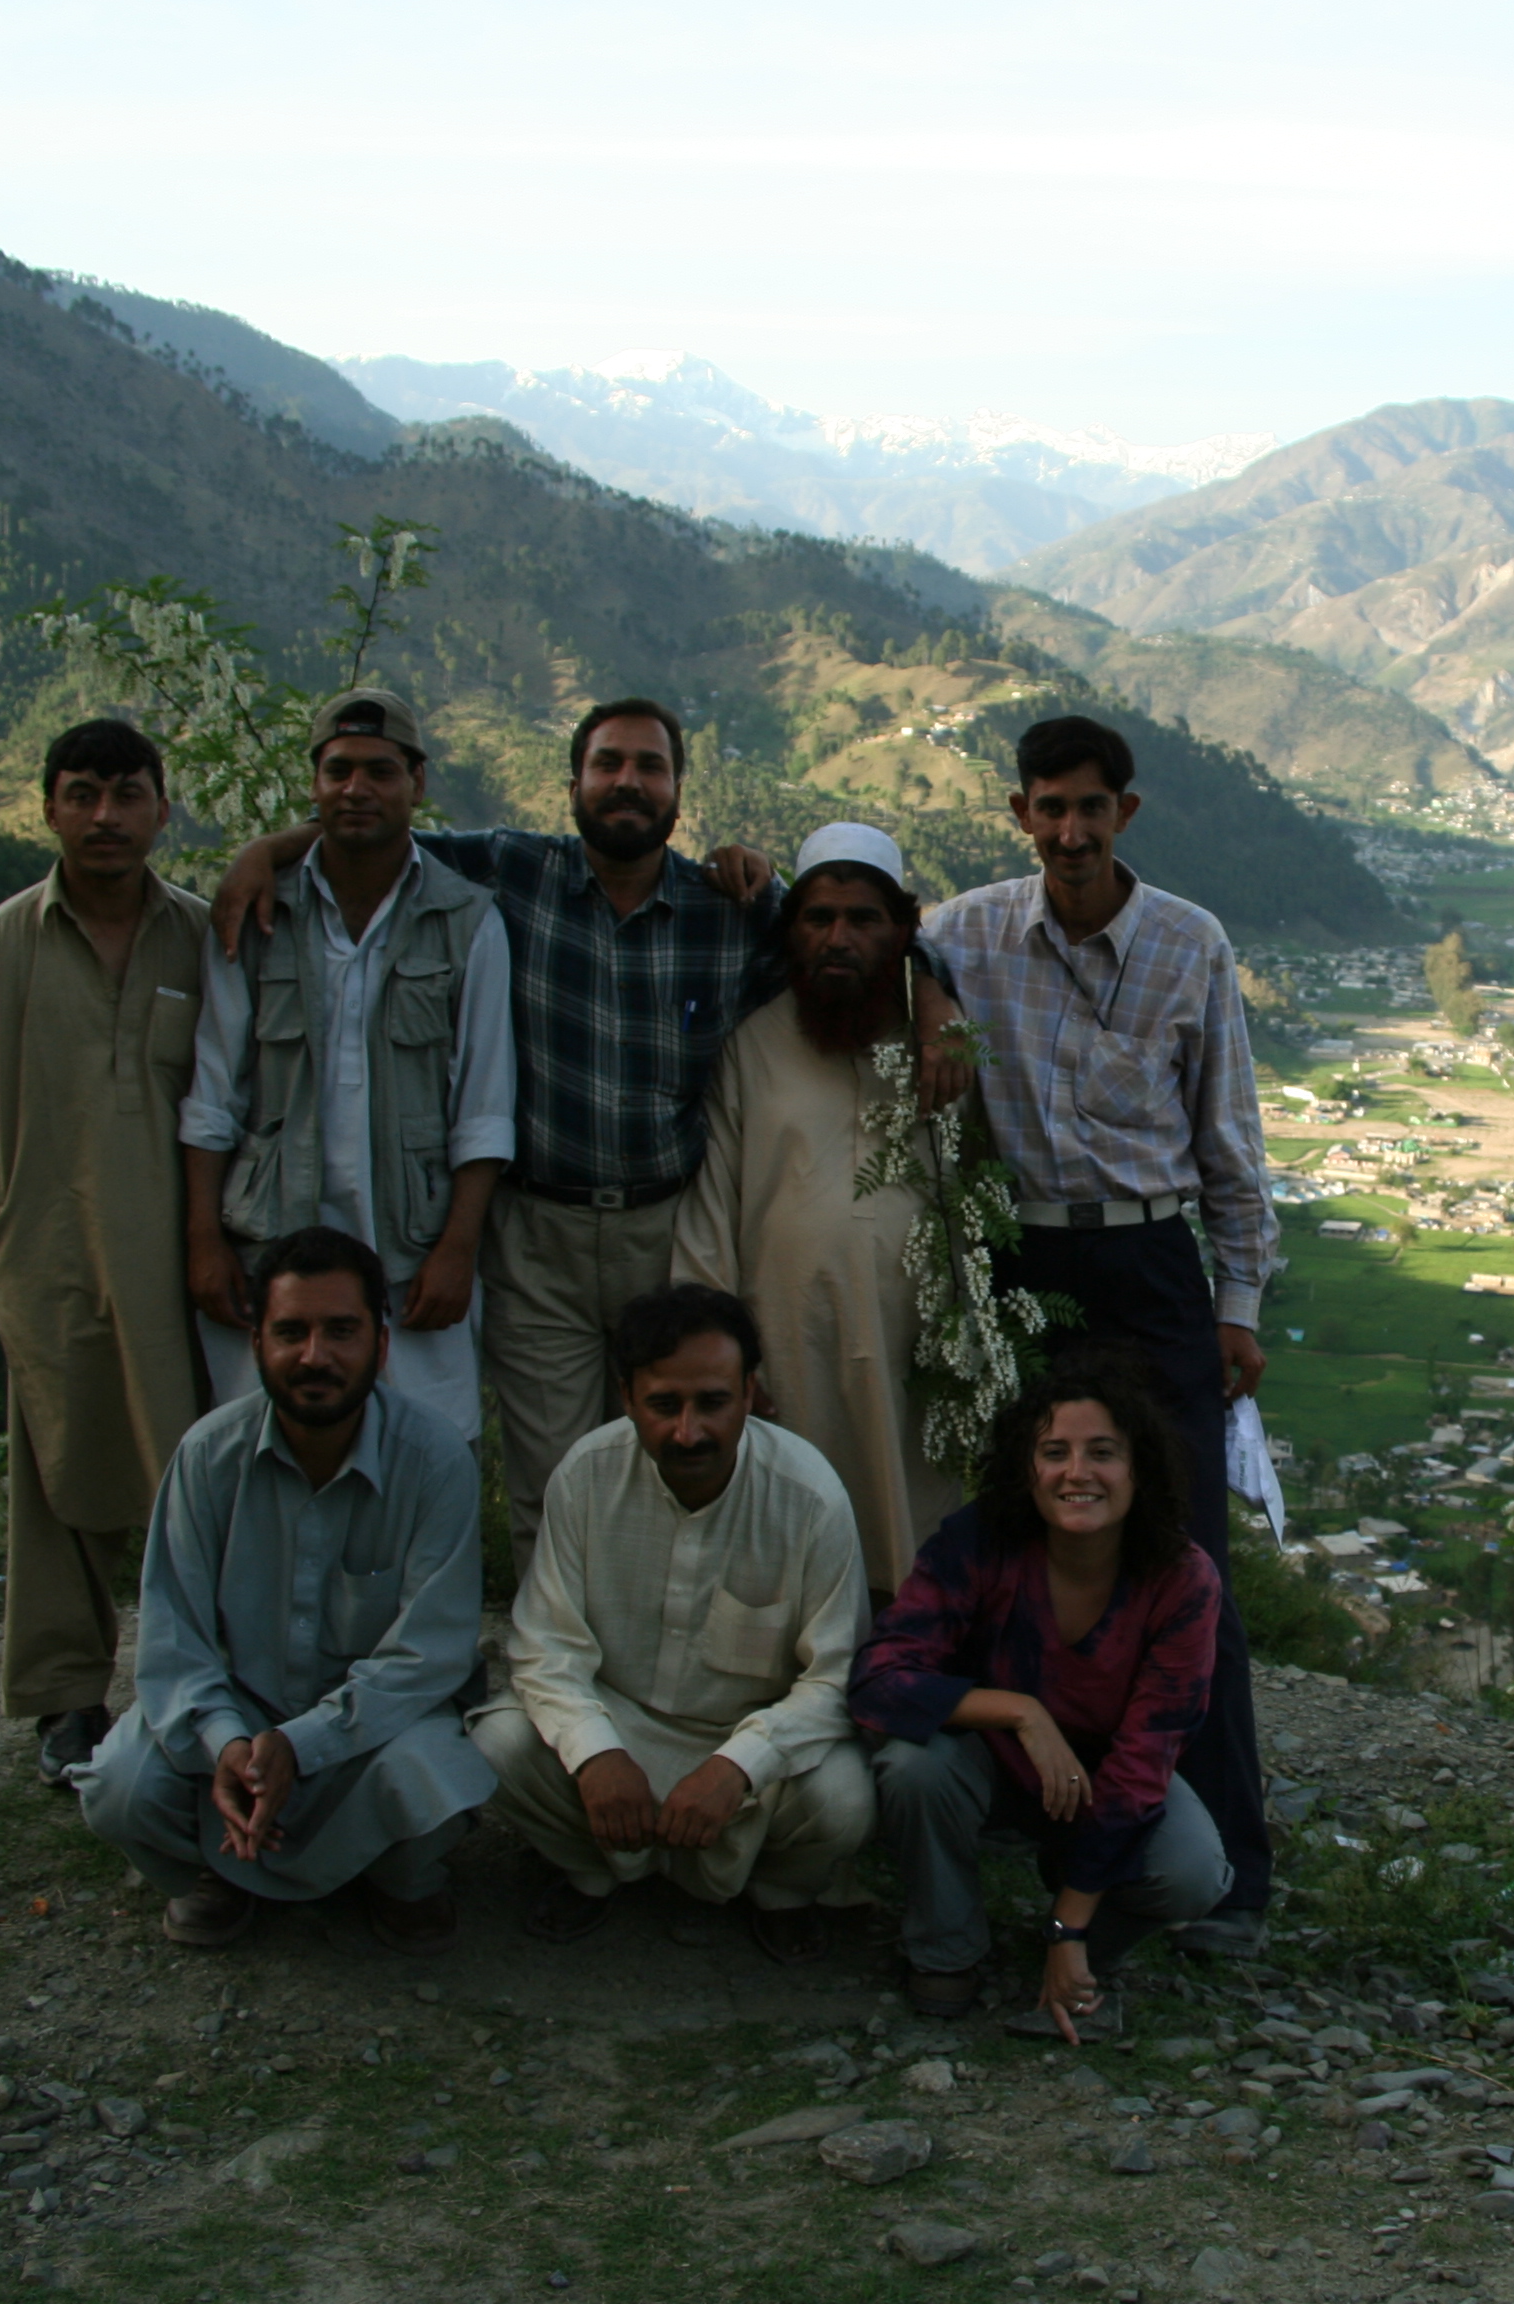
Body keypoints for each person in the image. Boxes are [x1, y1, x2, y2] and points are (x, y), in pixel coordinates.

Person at [214, 701, 960, 1559]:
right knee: (554, 1483)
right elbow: (378, 835)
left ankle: (664, 1634)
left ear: (678, 790)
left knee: (670, 1467)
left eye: (650, 766)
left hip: (662, 1231)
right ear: (572, 784)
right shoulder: (512, 871)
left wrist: (932, 990)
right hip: (539, 1238)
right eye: (609, 764)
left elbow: (857, 922)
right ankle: (553, 1639)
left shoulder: (730, 906)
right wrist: (267, 851)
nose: (627, 783)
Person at [919, 713, 1278, 1956]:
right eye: (1048, 807)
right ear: (1019, 814)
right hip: (1019, 1263)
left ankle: (1230, 1871)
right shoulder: (963, 933)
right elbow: (859, 940)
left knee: (1186, 1563)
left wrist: (1238, 1304)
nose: (1069, 831)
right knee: (1018, 1543)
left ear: (1126, 812)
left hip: (1148, 1266)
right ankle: (1030, 1822)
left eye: (1090, 807)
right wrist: (925, 999)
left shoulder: (1190, 943)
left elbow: (1230, 1136)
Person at [76, 1227, 497, 1954]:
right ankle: (219, 1871)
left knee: (436, 1776)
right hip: (237, 1727)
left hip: (369, 1736)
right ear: (256, 1345)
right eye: (291, 1332)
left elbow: (428, 1658)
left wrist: (301, 1745)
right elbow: (175, 1642)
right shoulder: (207, 1457)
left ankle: (398, 1877)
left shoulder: (434, 1461)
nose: (315, 1356)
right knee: (121, 1786)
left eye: (341, 1331)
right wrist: (230, 1744)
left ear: (381, 1345)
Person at [0, 718, 210, 1785]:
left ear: (161, 810)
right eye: (83, 793)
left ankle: (194, 1686)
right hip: (50, 1247)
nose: (105, 816)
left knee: (194, 1468)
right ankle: (64, 1696)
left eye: (127, 794)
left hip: (184, 1255)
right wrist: (45, 1193)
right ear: (48, 806)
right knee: (54, 1465)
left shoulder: (204, 939)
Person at [470, 1283, 873, 1962]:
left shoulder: (809, 1497)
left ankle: (779, 1890)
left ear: (750, 1393)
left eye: (713, 1402)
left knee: (843, 1800)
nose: (689, 1432)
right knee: (498, 1746)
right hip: (619, 1723)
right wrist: (596, 1754)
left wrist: (737, 1766)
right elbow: (546, 1648)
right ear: (626, 1397)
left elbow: (835, 1679)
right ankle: (591, 1868)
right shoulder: (586, 1475)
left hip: (747, 1742)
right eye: (664, 1405)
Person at [853, 1362, 1230, 2038]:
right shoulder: (977, 1542)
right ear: (1025, 1470)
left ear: (1139, 1469)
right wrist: (1021, 1713)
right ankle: (946, 1947)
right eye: (1054, 1452)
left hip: (1105, 1779)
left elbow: (1145, 1761)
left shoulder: (1182, 1581)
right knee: (913, 1768)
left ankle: (1073, 1947)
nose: (1077, 1473)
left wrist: (1067, 1926)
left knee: (1192, 1871)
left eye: (1102, 1452)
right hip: (989, 1761)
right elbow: (879, 1678)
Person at [180, 690, 514, 1447]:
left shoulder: (466, 921)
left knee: (426, 1451)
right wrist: (203, 1239)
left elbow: (485, 1109)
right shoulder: (257, 912)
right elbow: (213, 1091)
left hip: (410, 1254)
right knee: (263, 1454)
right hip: (270, 1247)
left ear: (416, 783)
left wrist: (457, 1250)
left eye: (380, 772)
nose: (357, 789)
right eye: (338, 772)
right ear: (315, 784)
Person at [670, 822, 968, 1606]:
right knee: (787, 1563)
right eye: (818, 919)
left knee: (914, 1547)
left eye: (863, 920)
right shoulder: (750, 1047)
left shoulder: (944, 1051)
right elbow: (710, 1214)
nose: (839, 939)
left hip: (915, 1367)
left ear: (902, 932)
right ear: (791, 931)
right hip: (786, 1354)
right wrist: (723, 1362)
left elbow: (980, 1193)